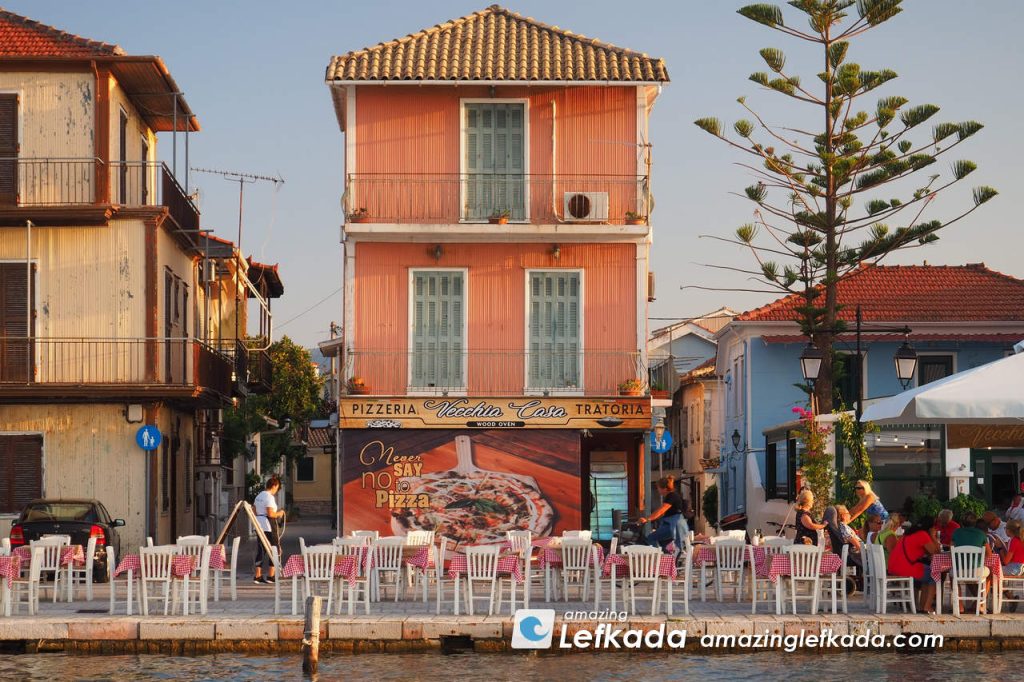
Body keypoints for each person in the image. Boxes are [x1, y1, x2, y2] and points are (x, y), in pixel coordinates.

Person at [888, 516, 940, 613]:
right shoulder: (922, 534)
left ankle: (922, 606)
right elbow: (936, 552)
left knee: (927, 573)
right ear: (930, 527)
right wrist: (933, 536)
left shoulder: (908, 534)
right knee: (934, 574)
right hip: (906, 568)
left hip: (895, 567)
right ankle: (927, 606)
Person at [639, 476, 689, 557]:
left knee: (651, 538)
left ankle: (660, 558)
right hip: (675, 525)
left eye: (658, 488)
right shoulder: (673, 495)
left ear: (665, 488)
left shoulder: (671, 496)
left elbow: (662, 510)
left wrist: (648, 519)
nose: (658, 490)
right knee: (663, 544)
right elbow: (663, 512)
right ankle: (667, 558)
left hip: (672, 526)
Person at [253, 476, 285, 584]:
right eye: (277, 488)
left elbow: (254, 511)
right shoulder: (269, 497)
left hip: (259, 524)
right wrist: (280, 514)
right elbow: (271, 513)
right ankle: (271, 576)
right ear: (274, 486)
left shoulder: (259, 496)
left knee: (261, 549)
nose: (277, 490)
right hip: (269, 525)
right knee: (274, 548)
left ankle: (258, 575)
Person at [825, 505, 863, 572]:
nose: (850, 516)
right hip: (854, 555)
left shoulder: (839, 527)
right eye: (848, 514)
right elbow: (853, 541)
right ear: (843, 516)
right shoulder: (843, 526)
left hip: (851, 554)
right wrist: (865, 551)